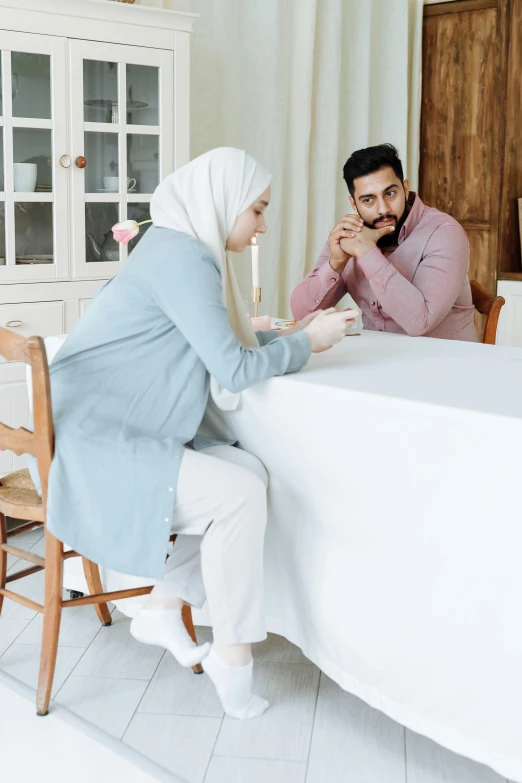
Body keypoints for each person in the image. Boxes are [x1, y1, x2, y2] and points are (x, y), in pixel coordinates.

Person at [41, 148, 357, 720]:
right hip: (96, 445)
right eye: (257, 210)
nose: (262, 225)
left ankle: (166, 603)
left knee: (248, 472)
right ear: (224, 203)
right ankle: (234, 662)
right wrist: (310, 343)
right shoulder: (185, 259)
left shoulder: (172, 246)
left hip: (97, 429)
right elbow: (233, 369)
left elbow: (222, 348)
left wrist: (299, 335)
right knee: (235, 494)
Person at [291, 143, 479, 342]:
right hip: (378, 359)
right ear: (354, 204)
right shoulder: (352, 235)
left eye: (390, 194)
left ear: (405, 189)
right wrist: (335, 263)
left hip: (448, 363)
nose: (383, 209)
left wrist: (367, 252)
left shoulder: (444, 233)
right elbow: (302, 316)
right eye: (368, 200)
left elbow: (420, 322)